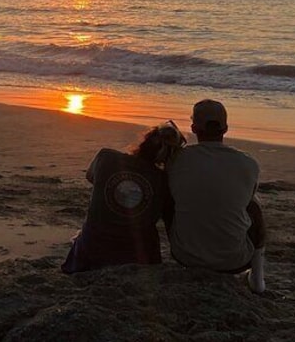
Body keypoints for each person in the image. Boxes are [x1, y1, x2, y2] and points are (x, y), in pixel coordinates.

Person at [165, 99, 267, 293]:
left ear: (194, 127)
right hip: (233, 261)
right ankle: (257, 278)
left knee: (170, 197)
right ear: (225, 128)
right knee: (252, 206)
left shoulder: (176, 159)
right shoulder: (248, 163)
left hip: (185, 255)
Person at [61, 121, 186, 274]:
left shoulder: (106, 157)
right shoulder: (163, 182)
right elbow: (170, 225)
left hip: (90, 256)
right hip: (137, 260)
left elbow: (91, 178)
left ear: (144, 140)